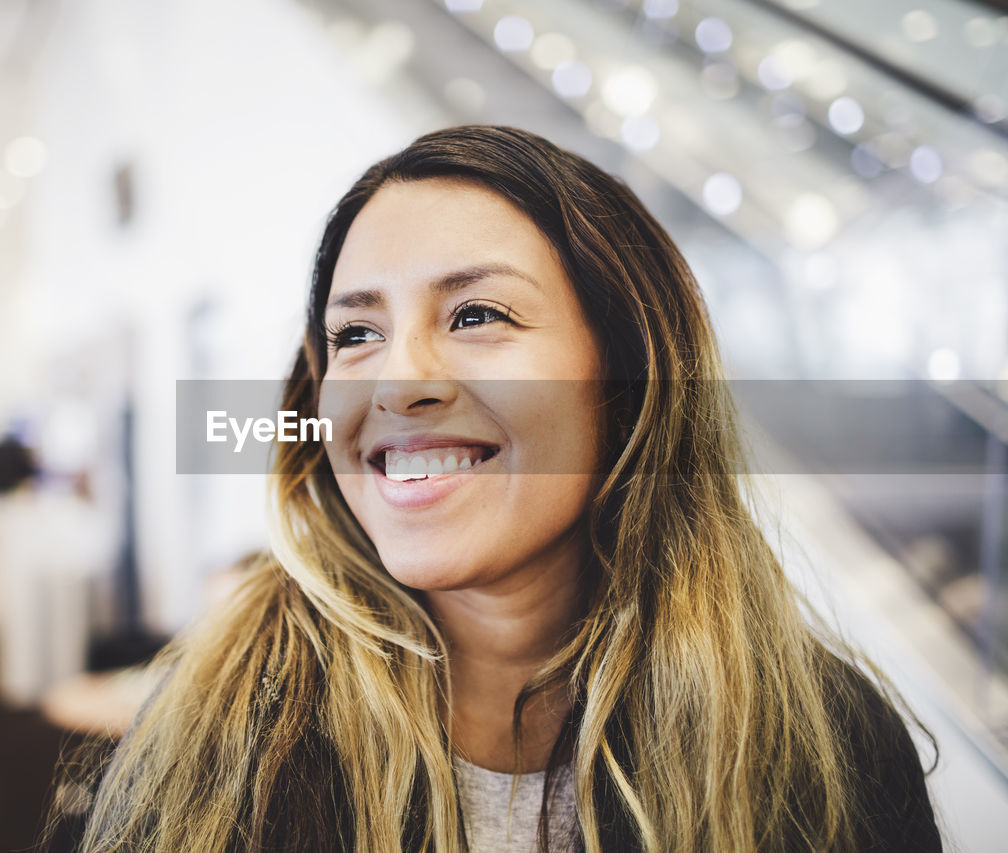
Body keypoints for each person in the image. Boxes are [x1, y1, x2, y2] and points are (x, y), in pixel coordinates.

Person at [69, 126, 940, 851]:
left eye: (477, 315)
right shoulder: (219, 731)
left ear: (626, 373)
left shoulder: (824, 741)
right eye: (357, 332)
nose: (397, 382)